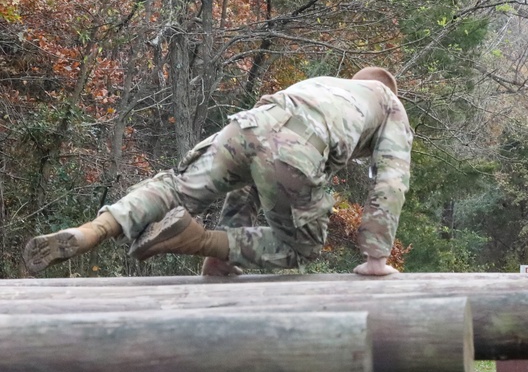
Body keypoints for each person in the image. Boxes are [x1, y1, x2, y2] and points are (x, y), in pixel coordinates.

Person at [23, 67, 412, 277]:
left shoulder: (325, 85)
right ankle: (199, 240)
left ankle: (92, 230)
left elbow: (252, 173)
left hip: (248, 123)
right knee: (300, 249)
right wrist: (376, 256)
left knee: (174, 186)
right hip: (296, 149)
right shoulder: (389, 105)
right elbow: (391, 180)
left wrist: (227, 258)